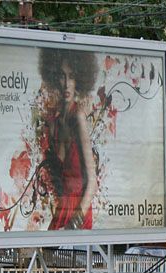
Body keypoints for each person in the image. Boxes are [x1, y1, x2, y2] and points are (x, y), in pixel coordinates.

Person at [39, 49, 98, 230]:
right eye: (62, 76)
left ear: (78, 80)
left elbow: (92, 181)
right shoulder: (53, 124)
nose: (66, 84)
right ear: (55, 78)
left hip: (79, 213)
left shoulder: (78, 118)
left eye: (71, 77)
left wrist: (75, 221)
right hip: (62, 210)